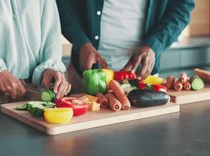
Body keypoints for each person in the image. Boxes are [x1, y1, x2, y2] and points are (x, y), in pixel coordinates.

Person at [56, 0, 195, 91]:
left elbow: (183, 6)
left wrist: (155, 44)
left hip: (142, 78)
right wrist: (81, 42)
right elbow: (61, 4)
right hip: (84, 75)